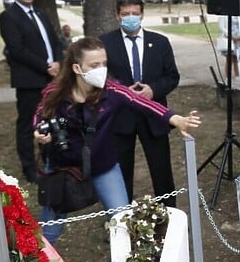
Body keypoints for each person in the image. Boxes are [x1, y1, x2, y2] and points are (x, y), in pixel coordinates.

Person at [34, 37, 199, 244]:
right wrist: (39, 131)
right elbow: (40, 113)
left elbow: (141, 102)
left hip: (104, 166)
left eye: (104, 64)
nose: (101, 69)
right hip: (62, 168)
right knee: (50, 232)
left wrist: (175, 119)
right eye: (94, 65)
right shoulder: (55, 91)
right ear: (77, 68)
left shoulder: (112, 91)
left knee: (122, 221)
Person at [100, 0, 181, 207]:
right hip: (120, 117)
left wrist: (153, 90)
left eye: (135, 14)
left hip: (153, 115)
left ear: (142, 14)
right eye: (125, 14)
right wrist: (120, 92)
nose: (131, 18)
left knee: (161, 169)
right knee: (120, 171)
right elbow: (99, 78)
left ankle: (170, 215)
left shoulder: (160, 42)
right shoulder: (105, 43)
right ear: (117, 15)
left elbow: (172, 76)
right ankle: (120, 216)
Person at [0, 0, 63, 183]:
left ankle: (51, 161)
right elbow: (17, 49)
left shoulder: (41, 14)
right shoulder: (8, 16)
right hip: (30, 81)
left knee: (51, 120)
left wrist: (58, 63)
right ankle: (30, 168)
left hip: (51, 78)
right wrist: (46, 67)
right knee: (28, 125)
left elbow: (55, 41)